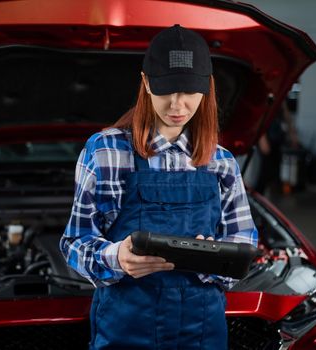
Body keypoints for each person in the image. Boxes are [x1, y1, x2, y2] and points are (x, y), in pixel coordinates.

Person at [60, 24, 258, 350]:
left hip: (202, 330)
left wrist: (215, 260)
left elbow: (244, 241)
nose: (177, 105)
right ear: (146, 83)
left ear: (207, 88)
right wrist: (116, 257)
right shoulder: (105, 152)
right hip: (126, 329)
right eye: (166, 90)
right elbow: (74, 243)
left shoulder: (221, 162)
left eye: (189, 92)